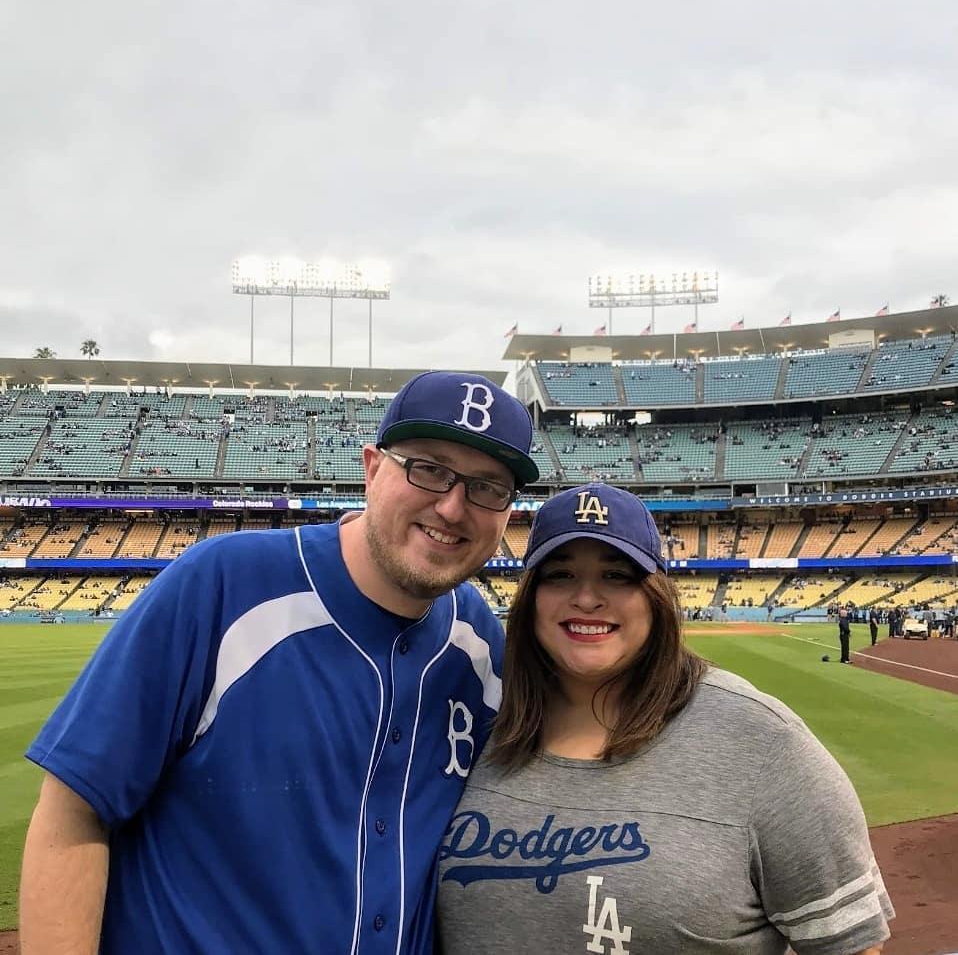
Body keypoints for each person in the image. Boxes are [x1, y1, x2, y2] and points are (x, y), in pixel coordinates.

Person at [19, 370, 539, 954]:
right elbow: (72, 816)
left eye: (488, 487)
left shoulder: (479, 644)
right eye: (428, 469)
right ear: (372, 468)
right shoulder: (222, 584)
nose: (451, 506)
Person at [437, 483, 893, 954]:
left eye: (617, 575)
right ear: (531, 596)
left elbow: (852, 946)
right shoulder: (478, 720)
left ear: (656, 595)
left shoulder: (764, 744)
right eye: (560, 575)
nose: (587, 598)